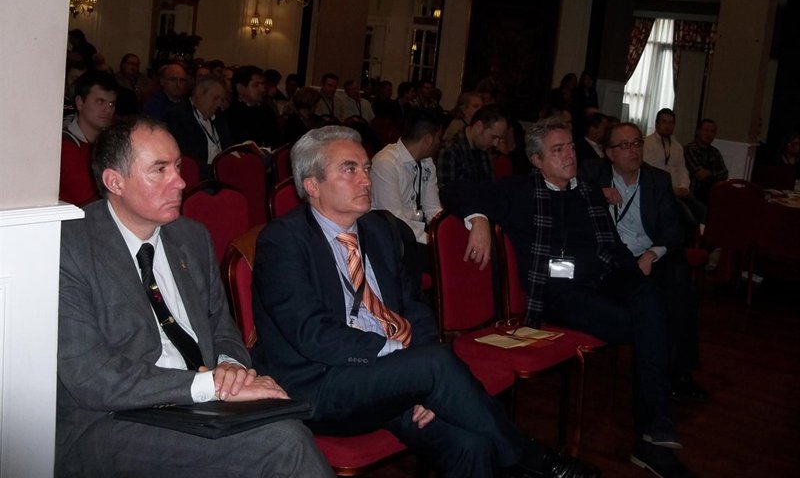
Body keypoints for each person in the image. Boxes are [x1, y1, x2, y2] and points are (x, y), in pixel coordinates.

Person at [249, 125, 600, 478]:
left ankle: (518, 457)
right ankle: (535, 459)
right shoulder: (282, 242)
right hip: (323, 385)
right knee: (434, 365)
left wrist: (421, 383)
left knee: (470, 444)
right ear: (312, 185)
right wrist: (410, 366)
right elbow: (312, 334)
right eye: (349, 169)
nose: (366, 180)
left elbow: (415, 307)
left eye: (366, 168)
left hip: (389, 379)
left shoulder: (379, 231)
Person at [56, 116, 333, 478]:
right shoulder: (70, 246)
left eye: (177, 166)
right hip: (109, 419)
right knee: (284, 443)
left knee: (289, 420)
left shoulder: (190, 236)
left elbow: (221, 326)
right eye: (160, 170)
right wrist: (209, 385)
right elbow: (92, 378)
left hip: (198, 404)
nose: (181, 181)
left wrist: (231, 368)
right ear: (115, 181)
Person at [442, 117, 696, 478]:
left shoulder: (588, 191)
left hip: (605, 277)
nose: (569, 156)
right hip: (559, 293)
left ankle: (654, 432)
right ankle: (652, 436)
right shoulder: (520, 191)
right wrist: (478, 218)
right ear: (536, 160)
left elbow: (613, 245)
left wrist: (635, 275)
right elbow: (454, 190)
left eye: (571, 147)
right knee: (647, 323)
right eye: (558, 150)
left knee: (651, 300)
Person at [582, 123, 707, 404]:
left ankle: (679, 373)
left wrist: (651, 256)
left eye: (637, 143)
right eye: (624, 145)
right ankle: (652, 366)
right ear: (609, 153)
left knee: (680, 286)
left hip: (649, 253)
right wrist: (597, 194)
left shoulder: (657, 180)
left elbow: (673, 230)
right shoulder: (592, 173)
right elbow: (565, 193)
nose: (633, 150)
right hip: (612, 258)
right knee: (646, 294)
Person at [371, 109, 443, 246]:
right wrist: (431, 241)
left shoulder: (427, 162)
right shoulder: (386, 163)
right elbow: (394, 219)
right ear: (428, 139)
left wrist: (444, 234)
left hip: (416, 234)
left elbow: (432, 208)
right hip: (391, 238)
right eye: (438, 138)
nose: (440, 143)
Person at [60, 71, 117, 206]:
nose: (108, 110)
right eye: (100, 102)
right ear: (80, 103)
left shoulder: (114, 141)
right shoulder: (65, 146)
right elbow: (88, 202)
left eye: (111, 104)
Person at [643, 109, 706, 227]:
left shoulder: (677, 146)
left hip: (679, 190)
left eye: (671, 123)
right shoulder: (647, 144)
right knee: (689, 219)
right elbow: (647, 172)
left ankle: (700, 237)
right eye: (664, 122)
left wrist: (684, 187)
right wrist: (671, 189)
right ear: (657, 123)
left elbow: (683, 169)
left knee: (703, 212)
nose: (667, 126)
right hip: (661, 191)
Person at [166, 76, 232, 181]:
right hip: (199, 179)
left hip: (221, 175)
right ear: (200, 93)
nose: (219, 104)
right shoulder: (178, 117)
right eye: (215, 98)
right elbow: (187, 161)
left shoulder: (220, 120)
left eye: (221, 100)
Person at [437, 104, 508, 187]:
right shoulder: (450, 150)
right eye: (493, 137)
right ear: (479, 127)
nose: (495, 143)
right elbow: (447, 191)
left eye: (499, 139)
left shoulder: (484, 147)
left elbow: (490, 184)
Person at [224, 65, 282, 148]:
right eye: (256, 85)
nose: (262, 89)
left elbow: (277, 140)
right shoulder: (231, 115)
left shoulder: (267, 111)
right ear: (240, 88)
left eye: (263, 84)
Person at [684, 118, 728, 205]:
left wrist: (709, 173)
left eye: (712, 131)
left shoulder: (715, 152)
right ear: (698, 132)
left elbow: (724, 174)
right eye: (706, 130)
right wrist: (714, 173)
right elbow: (700, 174)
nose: (709, 134)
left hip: (711, 195)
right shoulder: (690, 149)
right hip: (692, 194)